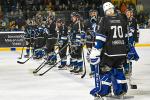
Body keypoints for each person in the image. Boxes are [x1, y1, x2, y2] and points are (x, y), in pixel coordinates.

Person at [90, 2, 128, 99]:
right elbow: (126, 36)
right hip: (122, 52)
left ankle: (104, 92)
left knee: (105, 71)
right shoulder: (122, 18)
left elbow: (100, 38)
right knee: (119, 70)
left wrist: (96, 51)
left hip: (109, 53)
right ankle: (121, 91)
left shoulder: (104, 19)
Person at [84, 9, 101, 77]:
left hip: (97, 42)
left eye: (95, 13)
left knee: (97, 55)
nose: (93, 14)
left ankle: (98, 70)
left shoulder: (100, 21)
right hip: (89, 42)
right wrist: (83, 37)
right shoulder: (87, 22)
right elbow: (84, 31)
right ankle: (93, 70)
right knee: (90, 56)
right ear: (90, 14)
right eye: (92, 13)